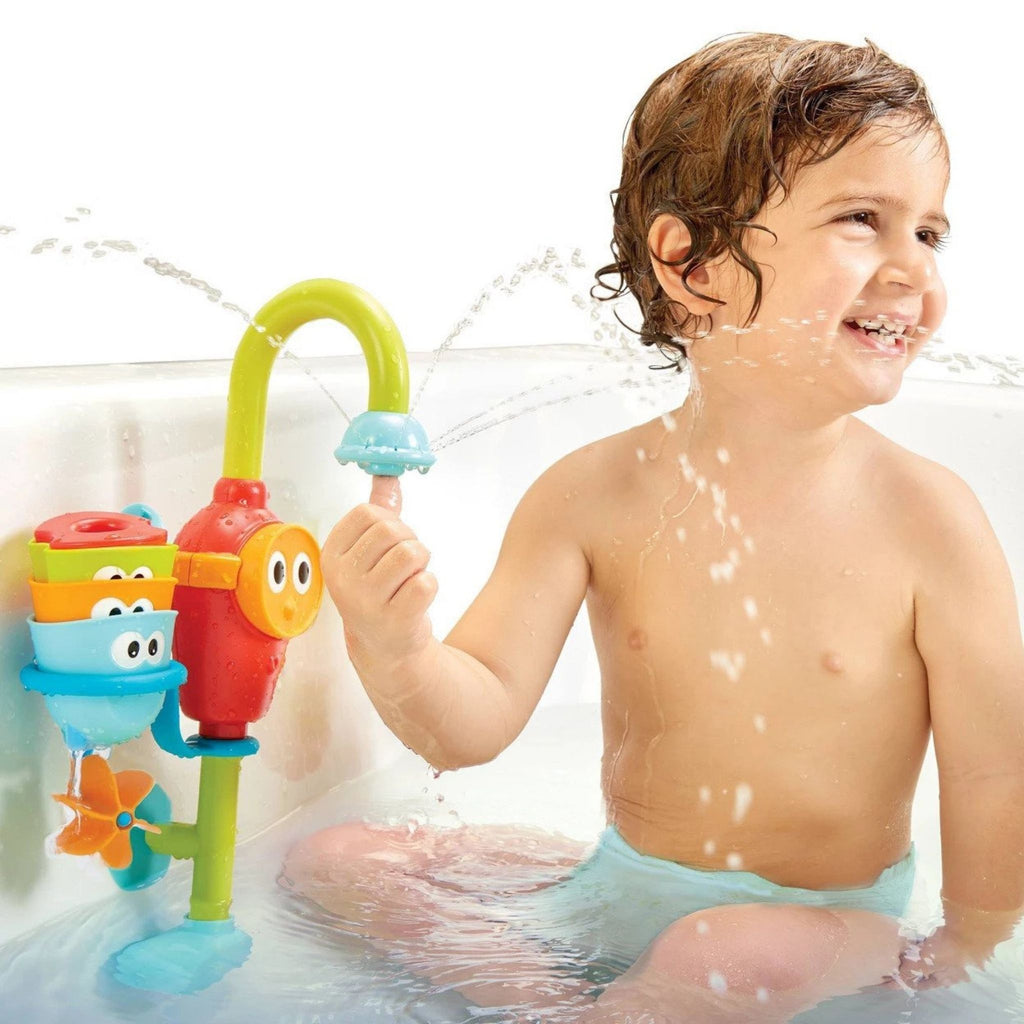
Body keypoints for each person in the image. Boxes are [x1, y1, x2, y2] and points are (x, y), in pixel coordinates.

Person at [280, 32, 1024, 1022]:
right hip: (621, 885)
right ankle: (547, 999)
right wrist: (395, 643)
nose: (910, 271)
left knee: (720, 949)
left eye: (927, 233)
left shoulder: (929, 519)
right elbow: (471, 725)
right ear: (695, 263)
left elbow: (994, 769)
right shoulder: (591, 494)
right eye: (862, 220)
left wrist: (964, 944)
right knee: (339, 858)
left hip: (821, 929)